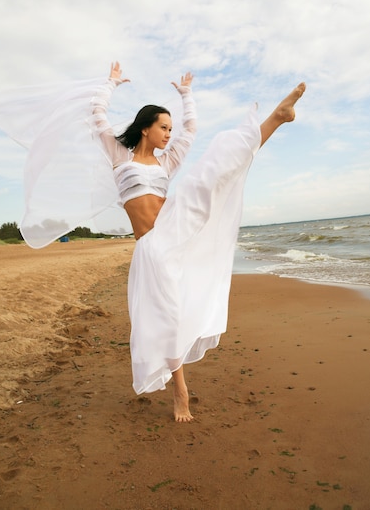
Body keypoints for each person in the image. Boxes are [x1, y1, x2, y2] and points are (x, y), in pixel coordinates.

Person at [90, 61, 305, 422]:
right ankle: (181, 391)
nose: (169, 134)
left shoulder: (168, 161)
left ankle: (276, 118)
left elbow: (191, 129)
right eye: (163, 127)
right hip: (151, 248)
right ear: (145, 129)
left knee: (212, 172)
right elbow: (96, 114)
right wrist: (110, 83)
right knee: (168, 318)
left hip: (174, 226)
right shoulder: (118, 155)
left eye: (170, 128)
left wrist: (187, 96)